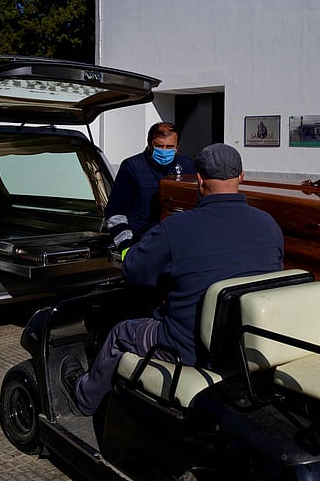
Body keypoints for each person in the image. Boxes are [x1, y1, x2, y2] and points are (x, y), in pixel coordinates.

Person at [62, 143, 284, 416]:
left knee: (121, 333)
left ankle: (84, 398)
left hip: (187, 348)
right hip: (245, 343)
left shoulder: (176, 228)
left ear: (199, 180)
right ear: (241, 177)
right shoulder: (269, 224)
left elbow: (133, 270)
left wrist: (127, 241)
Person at [105, 122, 196, 252]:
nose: (164, 151)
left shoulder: (186, 165)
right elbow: (116, 213)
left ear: (177, 147)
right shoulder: (132, 167)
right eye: (159, 146)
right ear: (149, 145)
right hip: (143, 244)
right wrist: (126, 247)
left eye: (169, 147)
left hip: (179, 244)